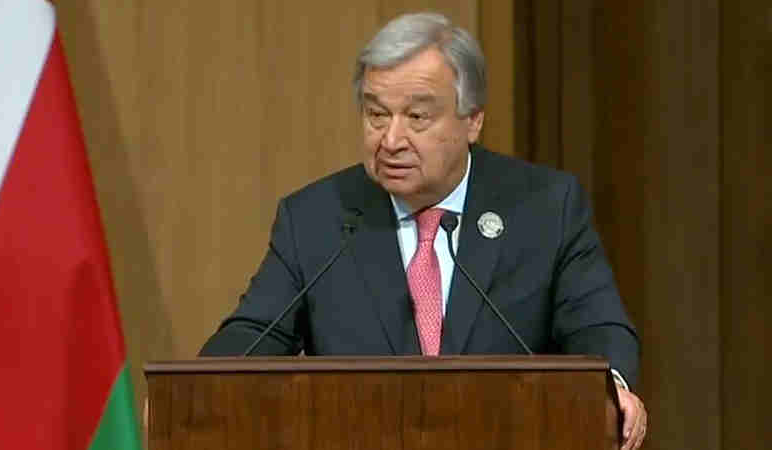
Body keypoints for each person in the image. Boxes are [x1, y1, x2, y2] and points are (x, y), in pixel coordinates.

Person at [201, 12, 646, 450]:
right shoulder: (316, 219)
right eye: (377, 115)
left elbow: (599, 326)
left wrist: (611, 390)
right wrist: (196, 393)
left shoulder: (545, 207)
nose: (391, 140)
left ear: (473, 120)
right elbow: (254, 334)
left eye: (417, 118)